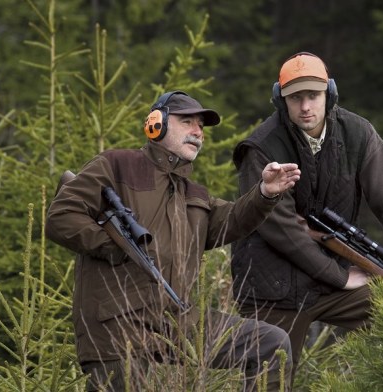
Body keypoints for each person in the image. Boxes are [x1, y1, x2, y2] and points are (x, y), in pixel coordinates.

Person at [46, 91, 301, 391]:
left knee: (272, 344)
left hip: (176, 320)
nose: (197, 131)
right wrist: (114, 246)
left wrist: (265, 193)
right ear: (157, 124)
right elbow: (61, 217)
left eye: (201, 127)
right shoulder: (116, 165)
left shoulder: (193, 193)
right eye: (187, 122)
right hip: (116, 323)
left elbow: (232, 221)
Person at [230, 52, 383, 380]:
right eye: (296, 98)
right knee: (270, 382)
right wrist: (338, 275)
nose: (305, 106)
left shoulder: (358, 134)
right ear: (282, 100)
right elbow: (283, 230)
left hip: (333, 284)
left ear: (329, 94)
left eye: (313, 96)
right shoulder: (263, 147)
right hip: (274, 289)